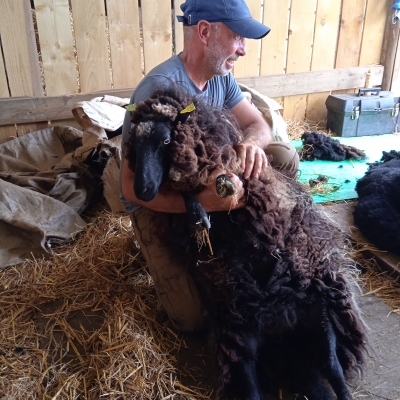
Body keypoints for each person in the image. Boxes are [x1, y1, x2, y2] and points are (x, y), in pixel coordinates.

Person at [120, 0, 299, 332]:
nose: (243, 50)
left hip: (206, 174)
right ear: (205, 31)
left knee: (285, 155)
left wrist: (249, 144)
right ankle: (147, 246)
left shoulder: (222, 76)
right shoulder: (158, 90)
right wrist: (199, 204)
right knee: (194, 318)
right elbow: (130, 185)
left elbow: (258, 123)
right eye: (238, 38)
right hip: (159, 195)